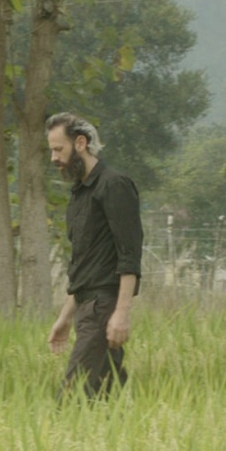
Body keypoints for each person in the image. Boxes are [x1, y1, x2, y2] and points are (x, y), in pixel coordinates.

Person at [46, 112, 143, 397]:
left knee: (72, 396)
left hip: (103, 307)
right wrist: (65, 318)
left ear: (80, 143)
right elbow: (85, 267)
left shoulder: (114, 185)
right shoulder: (80, 193)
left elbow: (129, 254)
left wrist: (121, 312)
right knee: (106, 398)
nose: (53, 158)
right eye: (51, 150)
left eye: (58, 149)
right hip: (86, 306)